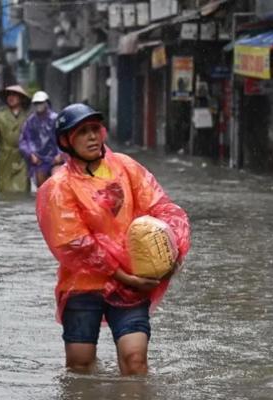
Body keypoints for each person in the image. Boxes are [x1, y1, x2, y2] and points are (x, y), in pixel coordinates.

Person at [36, 104, 191, 376]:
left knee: (135, 360)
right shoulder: (59, 188)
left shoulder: (126, 167)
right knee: (80, 365)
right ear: (66, 141)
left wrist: (172, 247)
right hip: (83, 286)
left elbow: (161, 207)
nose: (92, 137)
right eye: (82, 132)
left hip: (132, 281)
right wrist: (123, 275)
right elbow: (75, 244)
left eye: (95, 129)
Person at [0, 85, 31, 193]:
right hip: (5, 159)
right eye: (9, 95)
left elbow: (33, 138)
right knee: (4, 189)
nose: (11, 98)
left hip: (22, 158)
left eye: (15, 95)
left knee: (22, 190)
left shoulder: (28, 118)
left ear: (21, 98)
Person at [19, 91, 64, 188]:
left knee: (58, 181)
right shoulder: (30, 122)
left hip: (56, 159)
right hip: (40, 161)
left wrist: (61, 154)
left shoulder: (56, 119)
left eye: (41, 103)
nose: (38, 106)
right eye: (36, 103)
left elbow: (64, 137)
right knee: (42, 186)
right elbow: (23, 141)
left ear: (47, 103)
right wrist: (30, 154)